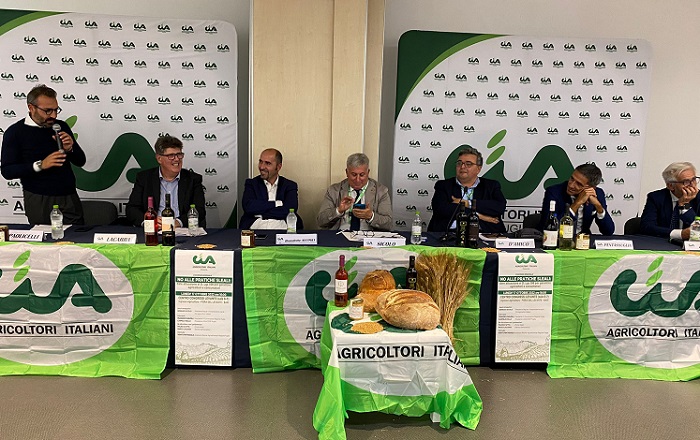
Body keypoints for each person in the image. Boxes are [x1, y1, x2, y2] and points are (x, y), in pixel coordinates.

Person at [1, 85, 86, 224]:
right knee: (44, 237)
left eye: (56, 110)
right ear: (31, 108)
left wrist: (70, 149)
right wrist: (40, 165)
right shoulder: (15, 132)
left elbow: (80, 161)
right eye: (47, 111)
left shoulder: (61, 126)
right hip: (38, 199)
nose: (53, 115)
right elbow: (7, 171)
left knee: (77, 235)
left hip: (69, 196)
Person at [126, 135, 206, 228]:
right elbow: (132, 209)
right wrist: (150, 221)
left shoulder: (193, 179)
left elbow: (199, 210)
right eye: (171, 156)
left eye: (179, 154)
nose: (177, 159)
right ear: (159, 159)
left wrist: (178, 222)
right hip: (154, 229)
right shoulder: (144, 178)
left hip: (182, 229)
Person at [427, 147, 506, 233]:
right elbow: (441, 209)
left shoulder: (491, 186)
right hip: (448, 233)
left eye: (468, 164)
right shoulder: (443, 185)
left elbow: (499, 207)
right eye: (459, 163)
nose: (462, 166)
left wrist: (468, 203)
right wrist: (478, 216)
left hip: (484, 233)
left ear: (478, 169)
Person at [317, 153, 392, 231]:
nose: (358, 179)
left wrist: (371, 216)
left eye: (362, 175)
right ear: (347, 172)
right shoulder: (333, 190)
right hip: (341, 233)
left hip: (369, 235)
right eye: (354, 174)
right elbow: (321, 222)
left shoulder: (381, 191)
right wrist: (338, 211)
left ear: (368, 172)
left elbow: (388, 224)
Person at [538, 163, 615, 235]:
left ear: (591, 188)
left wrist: (598, 205)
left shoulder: (598, 194)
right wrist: (577, 203)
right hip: (558, 240)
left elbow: (608, 231)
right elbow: (551, 228)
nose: (571, 185)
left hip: (583, 241)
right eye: (572, 178)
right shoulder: (554, 192)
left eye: (579, 184)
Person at [240, 148, 300, 229]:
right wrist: (276, 204)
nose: (262, 167)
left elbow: (289, 210)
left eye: (268, 163)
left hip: (282, 229)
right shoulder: (251, 184)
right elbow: (249, 207)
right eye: (260, 162)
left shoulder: (289, 186)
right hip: (256, 229)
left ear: (278, 167)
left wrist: (260, 214)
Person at [640, 162, 700, 240]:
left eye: (694, 179)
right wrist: (679, 234)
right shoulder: (656, 198)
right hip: (662, 243)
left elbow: (697, 230)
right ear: (670, 186)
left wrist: (685, 205)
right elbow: (646, 227)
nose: (693, 185)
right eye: (686, 182)